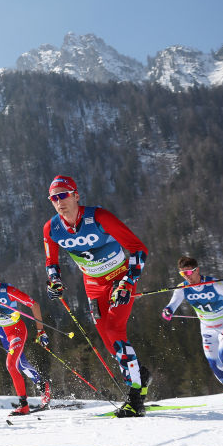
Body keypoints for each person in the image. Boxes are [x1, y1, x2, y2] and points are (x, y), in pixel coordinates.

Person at [42, 175, 150, 417]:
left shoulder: (99, 217)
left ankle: (135, 398)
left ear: (76, 196)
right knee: (108, 340)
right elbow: (52, 262)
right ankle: (139, 375)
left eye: (64, 195)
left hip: (120, 278)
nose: (59, 201)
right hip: (93, 285)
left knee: (116, 331)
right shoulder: (52, 228)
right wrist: (54, 283)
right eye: (54, 198)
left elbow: (138, 249)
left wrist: (127, 282)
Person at [163, 256, 223, 407]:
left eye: (189, 272)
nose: (187, 276)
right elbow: (172, 305)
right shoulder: (182, 288)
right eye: (183, 273)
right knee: (214, 364)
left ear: (197, 270)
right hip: (207, 329)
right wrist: (167, 311)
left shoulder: (215, 284)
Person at [0, 263, 52, 415]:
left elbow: (34, 305)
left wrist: (40, 331)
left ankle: (23, 405)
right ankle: (44, 386)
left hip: (16, 331)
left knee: (11, 365)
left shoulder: (8, 291)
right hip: (2, 333)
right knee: (21, 364)